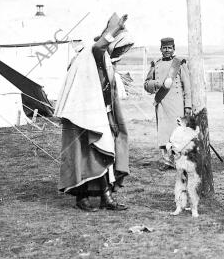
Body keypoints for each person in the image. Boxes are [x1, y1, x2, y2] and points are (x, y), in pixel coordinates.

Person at [55, 13, 132, 211]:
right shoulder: (92, 54)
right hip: (80, 116)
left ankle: (106, 198)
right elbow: (100, 47)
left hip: (100, 114)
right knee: (81, 156)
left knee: (105, 153)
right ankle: (82, 198)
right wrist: (115, 27)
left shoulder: (104, 60)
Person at [144, 37, 192, 169]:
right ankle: (167, 161)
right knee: (164, 134)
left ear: (173, 49)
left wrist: (188, 105)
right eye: (164, 48)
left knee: (177, 133)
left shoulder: (179, 64)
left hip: (177, 104)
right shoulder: (156, 64)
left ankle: (178, 161)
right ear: (160, 49)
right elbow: (146, 84)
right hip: (162, 104)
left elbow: (187, 86)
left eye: (169, 48)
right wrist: (156, 84)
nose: (167, 50)